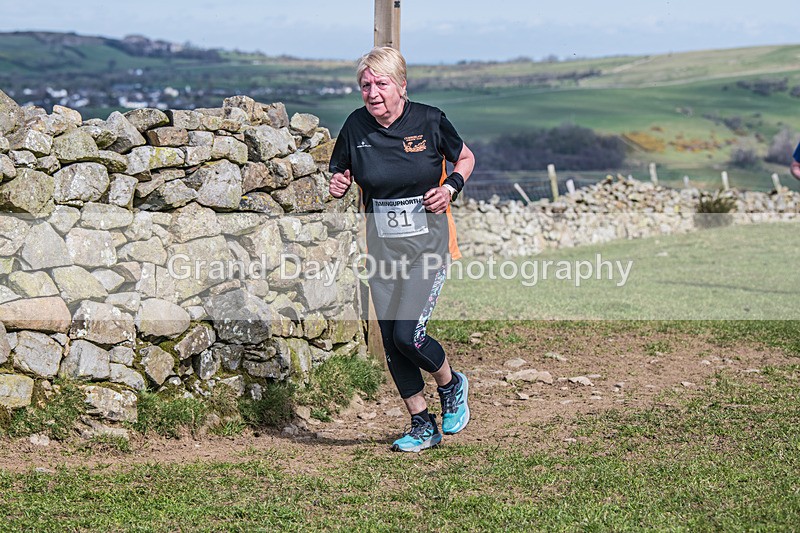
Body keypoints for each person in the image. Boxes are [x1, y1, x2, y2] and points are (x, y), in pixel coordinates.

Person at [328, 46, 475, 452]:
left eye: (381, 83)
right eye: (365, 85)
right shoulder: (356, 126)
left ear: (401, 85)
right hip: (382, 253)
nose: (372, 92)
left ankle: (451, 382)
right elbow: (340, 171)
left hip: (428, 246)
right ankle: (421, 424)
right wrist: (338, 181)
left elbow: (465, 158)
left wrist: (450, 188)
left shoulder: (429, 119)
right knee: (392, 340)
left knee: (410, 336)